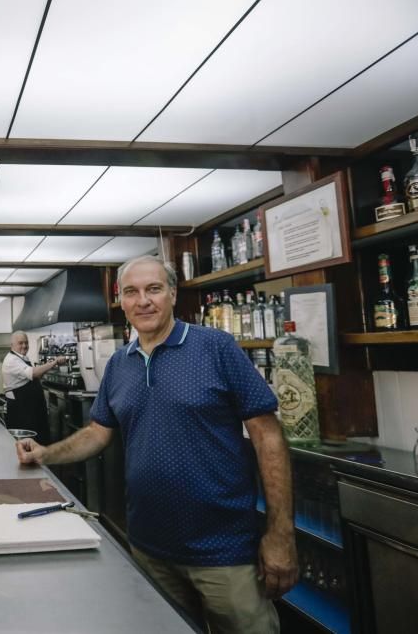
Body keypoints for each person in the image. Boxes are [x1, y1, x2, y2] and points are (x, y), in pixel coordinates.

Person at [16, 255, 297, 634]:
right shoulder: (119, 364)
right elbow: (98, 433)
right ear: (121, 301)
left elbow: (269, 436)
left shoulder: (216, 347)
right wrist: (47, 453)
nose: (143, 301)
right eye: (131, 292)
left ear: (173, 294)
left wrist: (281, 533)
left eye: (153, 289)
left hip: (223, 550)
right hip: (149, 547)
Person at [0, 331, 66, 445]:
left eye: (26, 343)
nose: (24, 346)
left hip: (30, 410)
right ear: (12, 345)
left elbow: (34, 375)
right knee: (29, 445)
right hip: (22, 412)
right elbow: (33, 373)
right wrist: (54, 362)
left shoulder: (22, 357)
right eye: (20, 343)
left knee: (38, 443)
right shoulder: (12, 360)